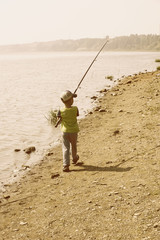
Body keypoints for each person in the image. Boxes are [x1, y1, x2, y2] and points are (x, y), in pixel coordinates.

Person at [55, 90, 79, 172]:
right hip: (73, 131)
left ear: (62, 101)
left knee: (65, 148)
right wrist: (72, 96)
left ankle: (66, 165)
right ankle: (75, 158)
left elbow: (59, 118)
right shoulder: (75, 109)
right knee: (73, 145)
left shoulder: (61, 110)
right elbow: (76, 115)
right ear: (72, 100)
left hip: (64, 132)